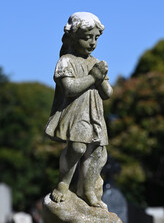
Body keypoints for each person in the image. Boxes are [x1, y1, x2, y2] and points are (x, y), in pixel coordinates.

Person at [45, 12, 112, 209]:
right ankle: (63, 184)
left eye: (96, 38)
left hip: (95, 115)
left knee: (97, 153)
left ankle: (88, 190)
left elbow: (108, 93)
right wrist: (93, 77)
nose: (92, 43)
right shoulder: (66, 61)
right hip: (76, 113)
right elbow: (69, 88)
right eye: (86, 37)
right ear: (73, 38)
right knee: (77, 147)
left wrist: (101, 79)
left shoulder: (95, 63)